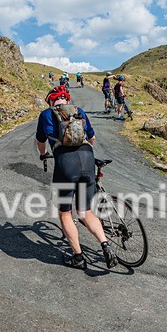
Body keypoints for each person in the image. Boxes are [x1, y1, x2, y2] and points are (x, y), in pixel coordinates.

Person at [35, 88, 118, 270]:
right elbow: (92, 137)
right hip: (87, 158)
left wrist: (44, 155)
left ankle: (78, 257)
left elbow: (41, 142)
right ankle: (105, 245)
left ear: (51, 102)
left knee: (65, 213)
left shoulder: (46, 115)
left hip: (66, 164)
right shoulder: (79, 111)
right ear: (68, 100)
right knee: (85, 211)